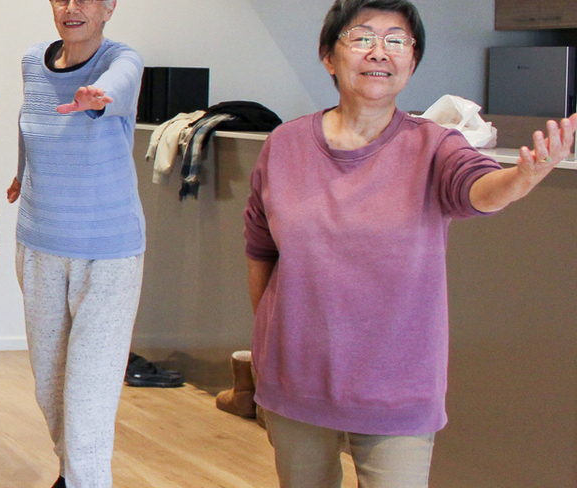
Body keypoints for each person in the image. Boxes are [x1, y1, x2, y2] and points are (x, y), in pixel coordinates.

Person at [244, 1, 575, 486]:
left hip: (397, 386)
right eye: (362, 37)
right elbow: (260, 246)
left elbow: (477, 189)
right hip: (296, 378)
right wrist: (271, 339)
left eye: (397, 41)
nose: (380, 51)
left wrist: (521, 179)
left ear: (412, 61)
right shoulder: (285, 144)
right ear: (329, 56)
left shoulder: (435, 144)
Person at [5, 0, 143, 486]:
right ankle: (73, 476)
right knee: (52, 392)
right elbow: (32, 117)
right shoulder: (31, 61)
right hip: (39, 245)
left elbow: (119, 86)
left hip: (108, 257)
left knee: (87, 405)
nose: (72, 7)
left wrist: (97, 96)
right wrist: (21, 174)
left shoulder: (120, 61)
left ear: (109, 7)